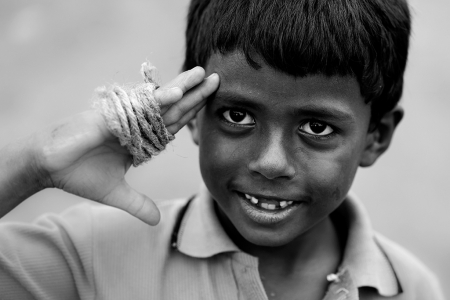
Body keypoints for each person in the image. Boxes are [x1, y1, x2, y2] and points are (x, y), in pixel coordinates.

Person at [0, 0, 445, 299]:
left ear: (377, 136)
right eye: (238, 116)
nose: (271, 163)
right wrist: (35, 162)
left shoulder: (413, 288)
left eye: (316, 126)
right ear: (191, 109)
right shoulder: (92, 255)